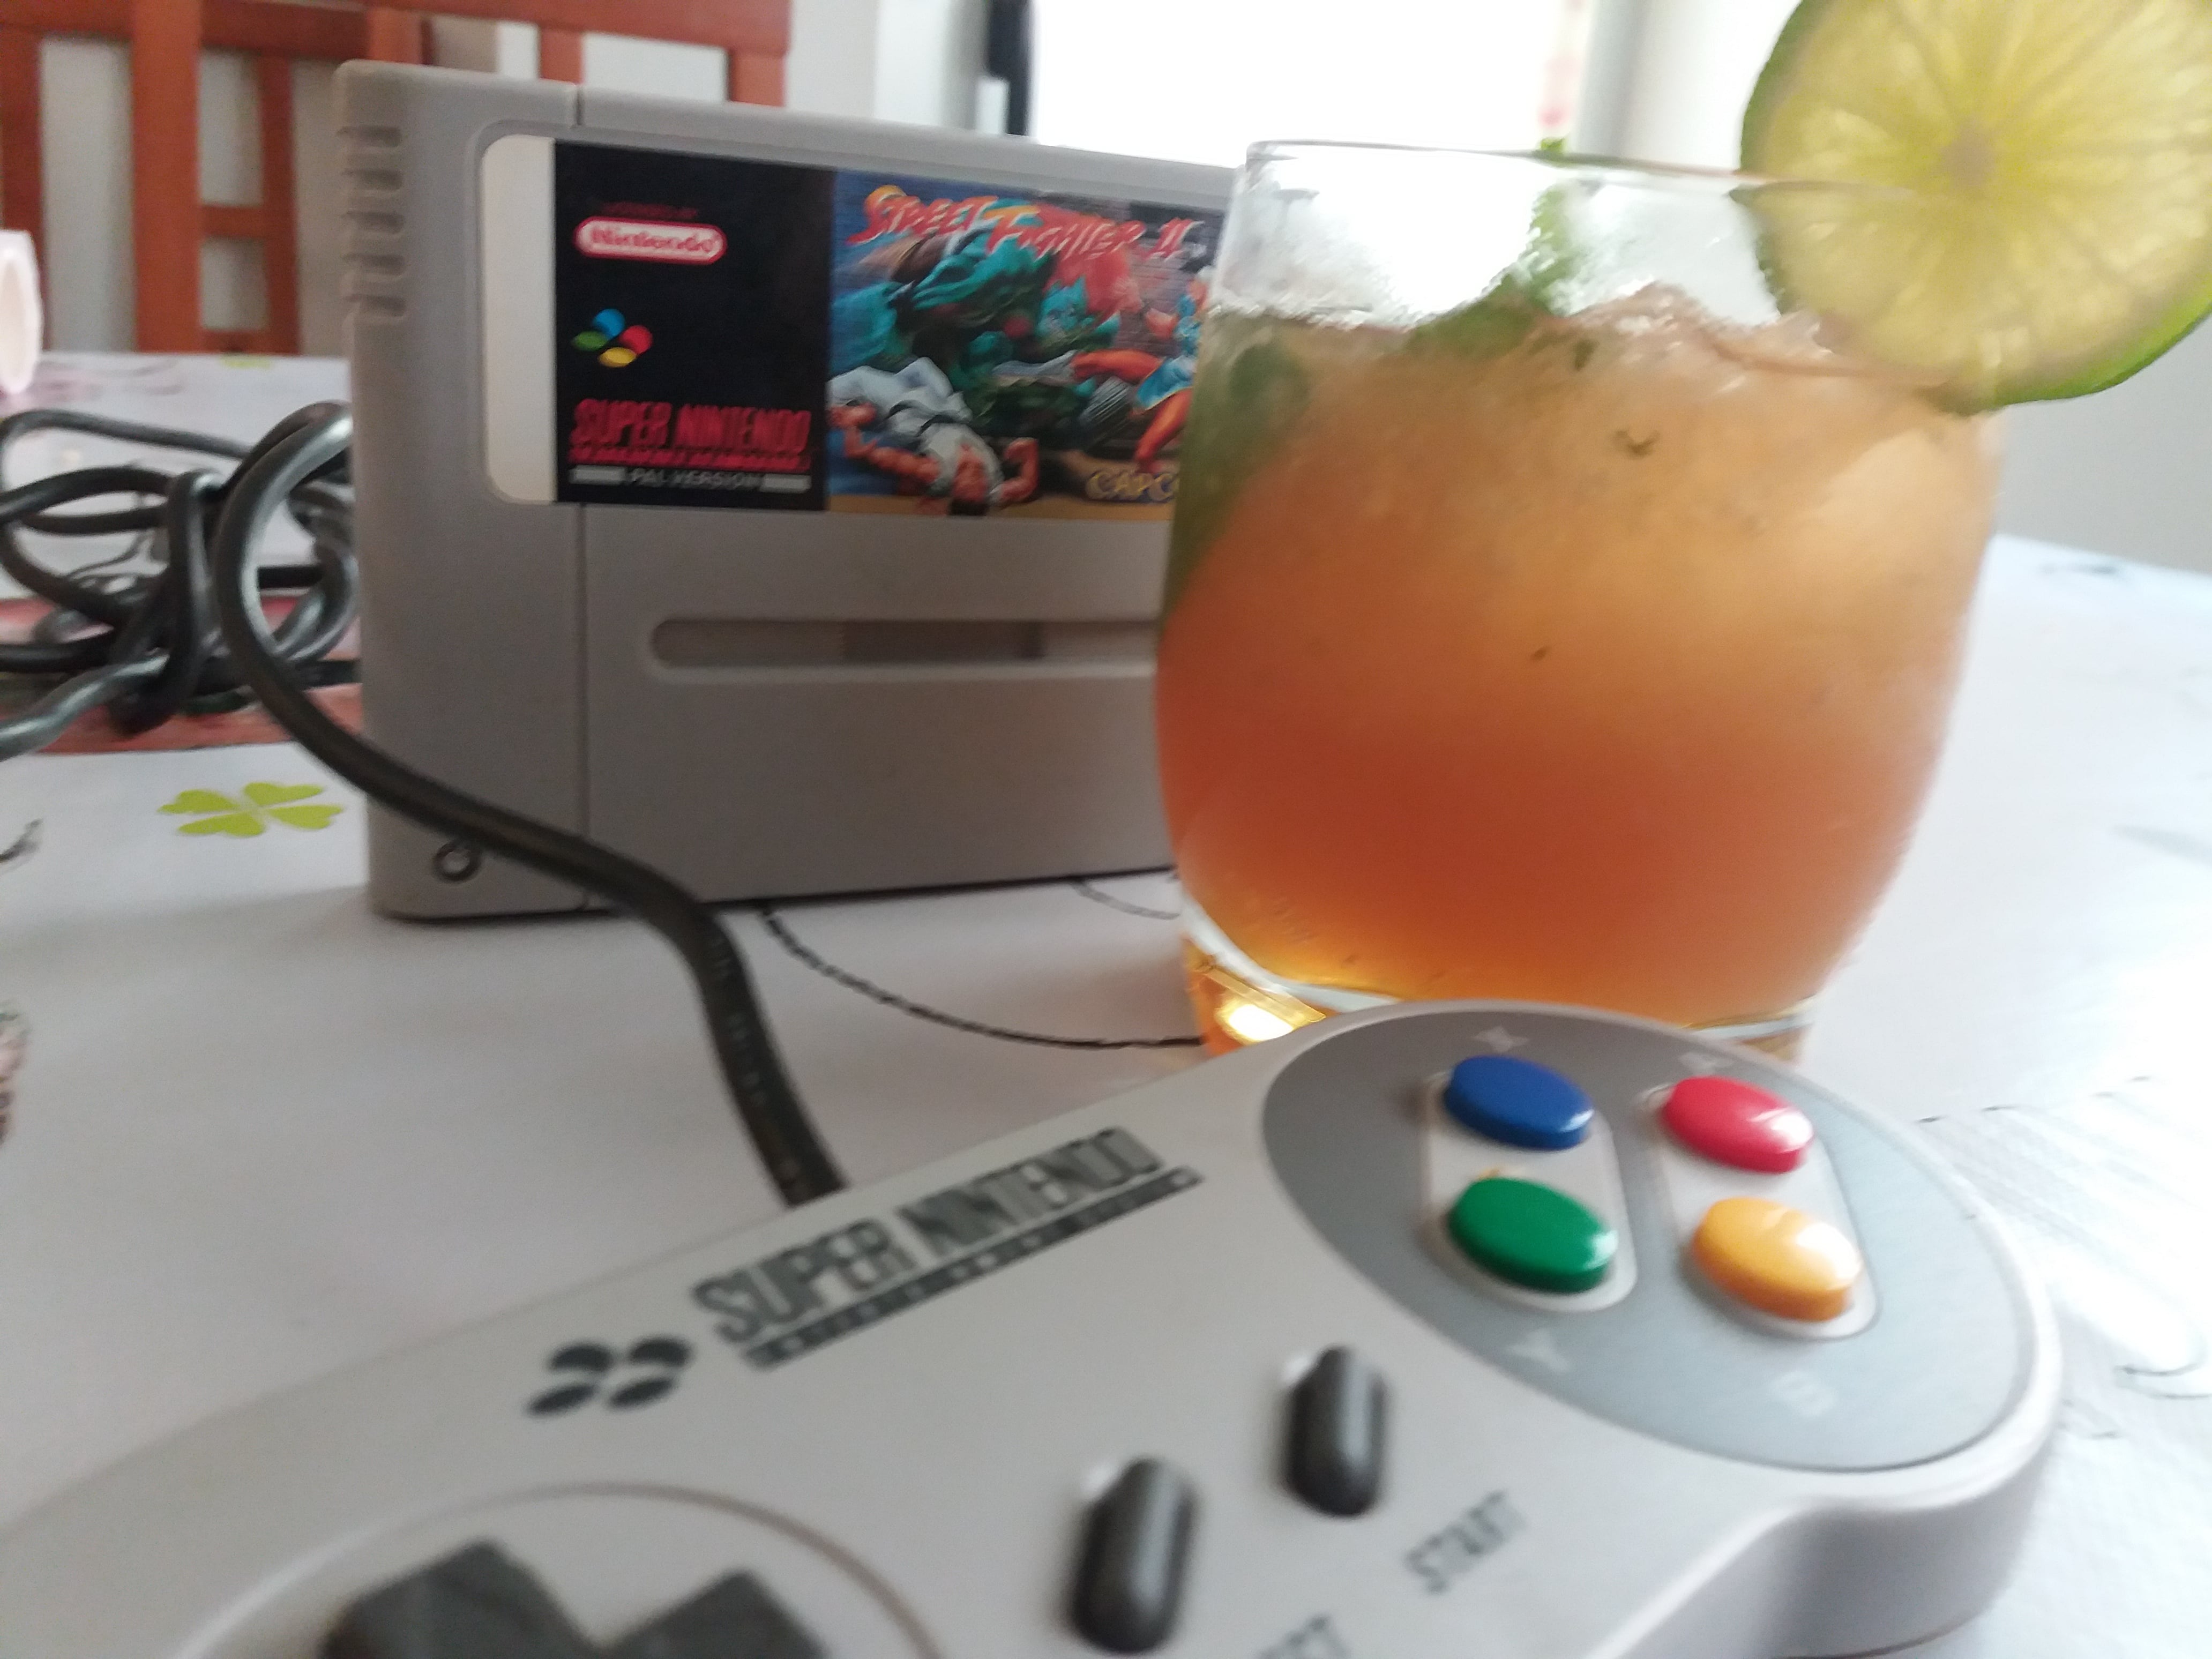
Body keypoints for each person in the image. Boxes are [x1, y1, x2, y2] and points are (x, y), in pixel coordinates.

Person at [826, 361, 1040, 514]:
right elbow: (1025, 485)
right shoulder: (993, 493)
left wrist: (864, 452)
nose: (977, 481)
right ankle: (863, 410)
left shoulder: (937, 473)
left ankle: (851, 411)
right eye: (980, 487)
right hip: (950, 408)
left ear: (955, 489)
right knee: (922, 366)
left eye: (967, 487)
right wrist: (1030, 451)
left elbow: (897, 461)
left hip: (913, 411)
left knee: (861, 378)